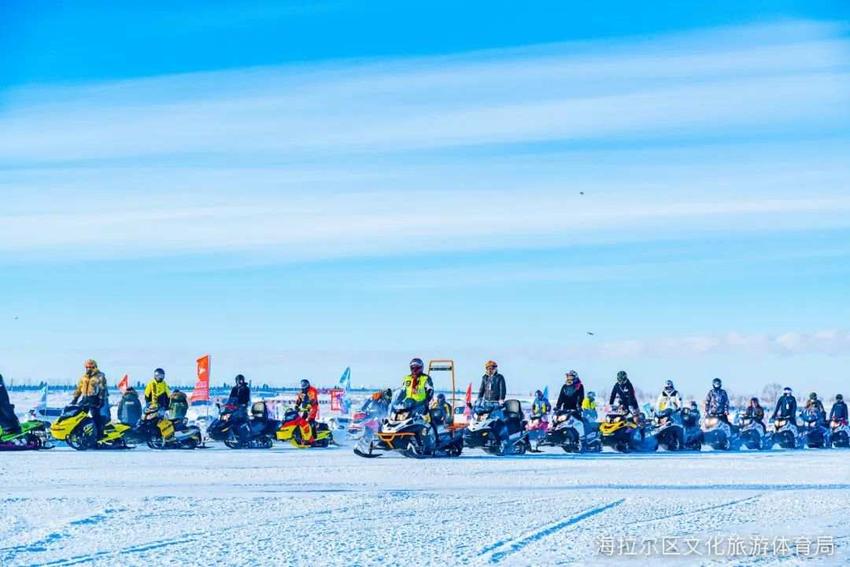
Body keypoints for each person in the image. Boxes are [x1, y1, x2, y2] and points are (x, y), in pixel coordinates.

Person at [71, 359, 107, 438]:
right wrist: (75, 398)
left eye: (91, 367)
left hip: (94, 398)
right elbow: (79, 388)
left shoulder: (100, 376)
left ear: (95, 367)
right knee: (78, 415)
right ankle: (78, 432)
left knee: (95, 416)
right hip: (85, 398)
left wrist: (101, 400)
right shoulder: (84, 377)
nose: (89, 369)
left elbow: (102, 389)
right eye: (87, 367)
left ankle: (99, 434)